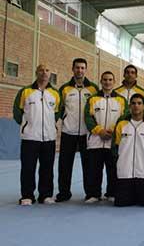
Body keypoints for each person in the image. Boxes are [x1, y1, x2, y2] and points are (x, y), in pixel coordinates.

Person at [13, 64, 61, 206]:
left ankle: (45, 195)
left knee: (47, 167)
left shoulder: (55, 94)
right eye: (41, 70)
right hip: (30, 137)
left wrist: (50, 125)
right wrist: (27, 125)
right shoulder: (25, 91)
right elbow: (17, 112)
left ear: (50, 74)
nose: (44, 73)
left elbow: (57, 113)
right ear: (36, 73)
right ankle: (27, 195)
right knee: (28, 167)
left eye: (47, 70)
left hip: (49, 137)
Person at [56, 58, 98, 202]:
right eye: (77, 68)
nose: (79, 70)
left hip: (87, 134)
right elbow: (59, 109)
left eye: (82, 68)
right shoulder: (65, 89)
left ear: (86, 70)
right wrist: (67, 120)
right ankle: (64, 193)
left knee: (89, 165)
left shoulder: (93, 89)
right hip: (68, 132)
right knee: (64, 165)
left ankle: (91, 193)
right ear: (72, 69)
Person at [84, 71, 128, 203]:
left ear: (114, 82)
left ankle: (112, 193)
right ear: (101, 81)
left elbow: (124, 118)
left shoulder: (121, 100)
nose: (107, 82)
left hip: (113, 142)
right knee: (94, 169)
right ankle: (93, 194)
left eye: (110, 80)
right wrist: (99, 131)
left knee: (113, 169)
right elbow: (88, 117)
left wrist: (113, 132)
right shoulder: (92, 99)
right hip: (95, 141)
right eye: (105, 80)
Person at [112, 94, 144, 207]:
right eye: (133, 103)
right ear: (129, 106)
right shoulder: (121, 125)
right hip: (125, 173)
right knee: (121, 204)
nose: (136, 106)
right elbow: (115, 147)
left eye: (139, 103)